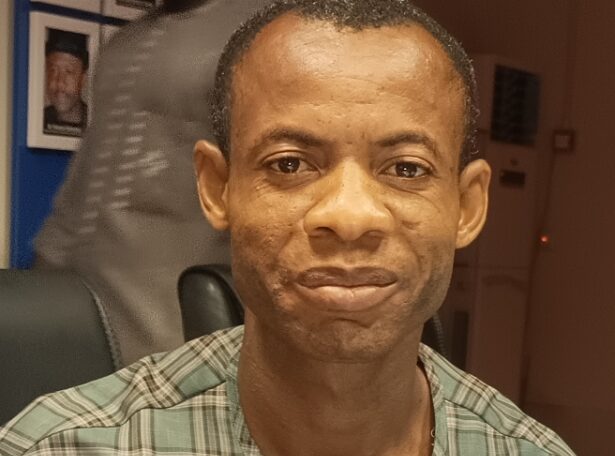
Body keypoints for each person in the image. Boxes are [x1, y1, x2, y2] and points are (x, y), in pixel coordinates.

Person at [2, 1, 575, 455]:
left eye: (406, 169)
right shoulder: (65, 446)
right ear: (217, 188)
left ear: (468, 207)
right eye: (290, 164)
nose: (349, 217)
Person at [34, 0, 273, 365]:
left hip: (179, 329)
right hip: (74, 322)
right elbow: (83, 182)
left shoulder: (266, 30)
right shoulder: (123, 44)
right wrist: (44, 274)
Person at [43, 29, 88, 136]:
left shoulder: (96, 123)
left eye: (68, 71)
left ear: (83, 79)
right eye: (53, 71)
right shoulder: (38, 119)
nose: (59, 83)